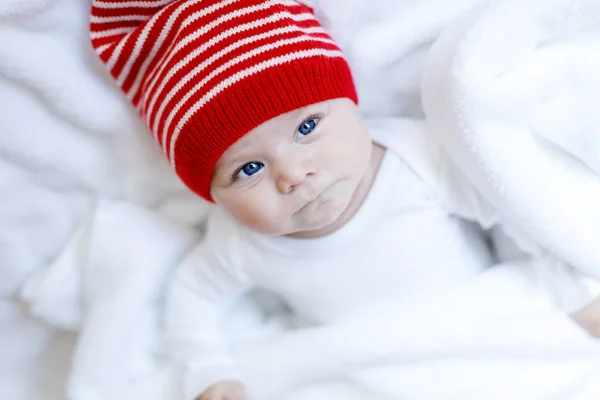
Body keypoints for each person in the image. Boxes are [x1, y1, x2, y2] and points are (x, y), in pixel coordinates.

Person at [89, 1, 600, 399]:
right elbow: (194, 298)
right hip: (365, 363)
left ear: (352, 104)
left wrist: (575, 293)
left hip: (479, 328)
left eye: (307, 127)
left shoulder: (413, 160)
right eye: (248, 169)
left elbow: (517, 213)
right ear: (212, 195)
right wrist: (209, 368)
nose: (293, 174)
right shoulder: (239, 243)